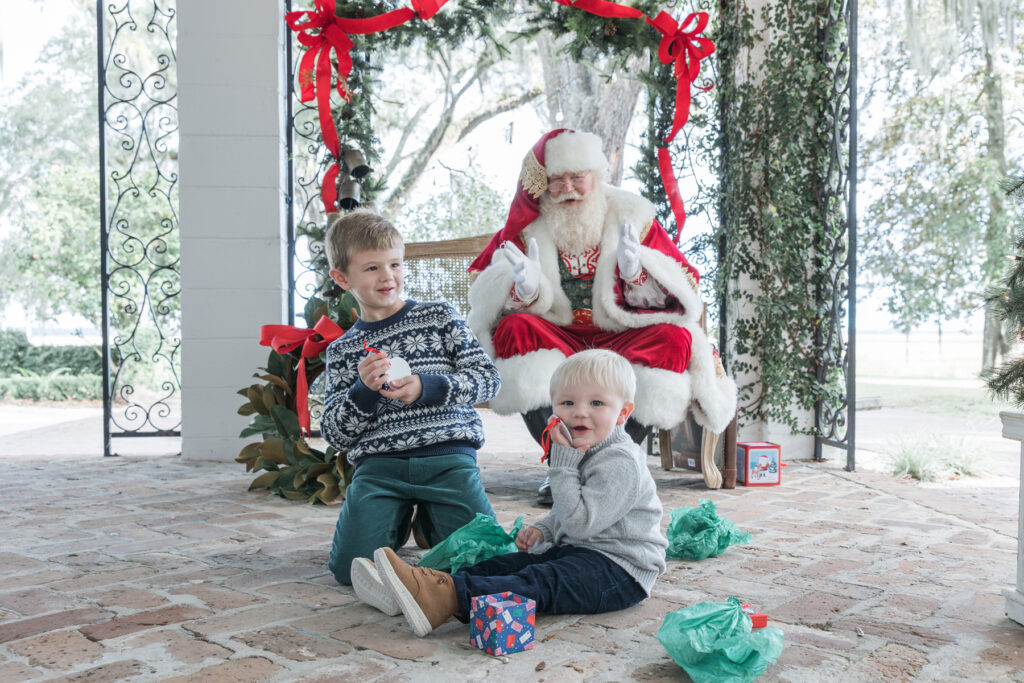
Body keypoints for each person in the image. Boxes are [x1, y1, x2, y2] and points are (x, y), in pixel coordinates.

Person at [465, 128, 737, 502]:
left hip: (620, 336)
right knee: (515, 328)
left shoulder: (633, 216)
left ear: (596, 175)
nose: (569, 189)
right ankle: (560, 462)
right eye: (557, 181)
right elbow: (484, 296)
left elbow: (685, 287)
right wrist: (522, 291)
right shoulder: (528, 227)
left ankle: (612, 463)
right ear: (544, 186)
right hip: (558, 334)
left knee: (676, 339)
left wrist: (637, 275)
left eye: (577, 177)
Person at [357, 349, 668, 637]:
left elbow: (578, 524)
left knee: (542, 581)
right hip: (583, 551)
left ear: (623, 413)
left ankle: (445, 597)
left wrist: (561, 466)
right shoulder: (583, 446)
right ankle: (416, 587)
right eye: (568, 403)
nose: (580, 414)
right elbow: (571, 509)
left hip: (621, 573)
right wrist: (544, 529)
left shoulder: (619, 461)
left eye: (597, 403)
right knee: (506, 564)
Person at [321, 209, 502, 590]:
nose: (388, 276)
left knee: (487, 560)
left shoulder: (440, 317)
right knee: (350, 572)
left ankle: (431, 520)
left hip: (447, 460)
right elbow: (336, 433)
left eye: (395, 264)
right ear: (342, 278)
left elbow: (488, 380)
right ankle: (394, 515)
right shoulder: (343, 350)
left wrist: (428, 387)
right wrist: (362, 391)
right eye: (371, 268)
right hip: (380, 469)